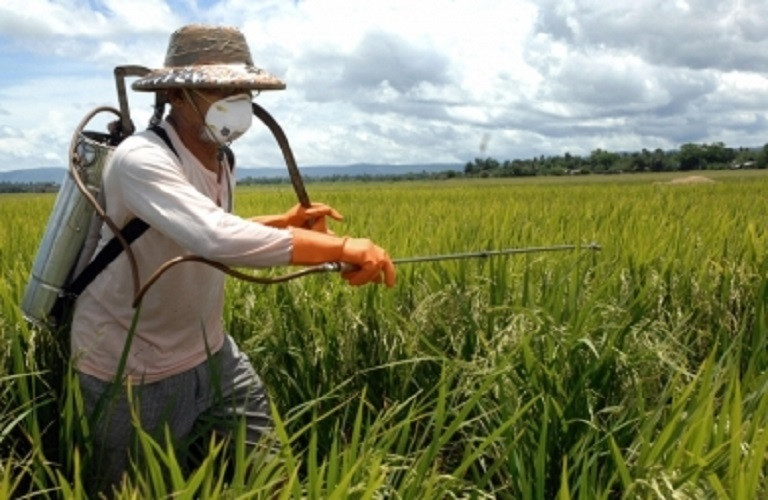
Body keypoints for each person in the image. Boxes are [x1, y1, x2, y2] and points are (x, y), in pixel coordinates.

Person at [69, 24, 396, 491]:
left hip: (210, 351)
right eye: (219, 88)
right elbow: (215, 236)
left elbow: (202, 230)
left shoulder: (222, 158)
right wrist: (341, 249)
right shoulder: (141, 159)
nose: (237, 99)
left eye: (241, 88)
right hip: (128, 367)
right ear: (177, 95)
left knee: (270, 473)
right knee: (130, 491)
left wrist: (283, 225)